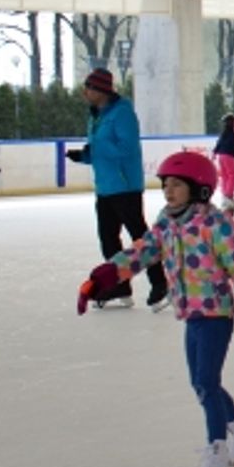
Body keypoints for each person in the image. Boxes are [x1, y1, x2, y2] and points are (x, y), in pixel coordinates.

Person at [74, 152, 234, 467]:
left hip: (215, 313)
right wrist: (101, 278)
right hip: (190, 313)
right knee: (201, 382)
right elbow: (140, 253)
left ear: (199, 189)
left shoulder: (215, 224)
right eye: (165, 184)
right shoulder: (167, 222)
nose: (168, 190)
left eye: (177, 185)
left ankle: (218, 455)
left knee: (206, 383)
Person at [66, 68, 167, 311]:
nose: (85, 92)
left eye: (89, 88)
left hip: (125, 186)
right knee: (108, 239)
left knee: (141, 238)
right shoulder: (96, 115)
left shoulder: (122, 113)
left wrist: (97, 148)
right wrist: (84, 155)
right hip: (105, 187)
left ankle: (160, 283)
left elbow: (127, 148)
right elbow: (102, 150)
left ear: (101, 91)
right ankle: (119, 284)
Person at [212, 113, 234, 211]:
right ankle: (228, 196)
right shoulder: (232, 134)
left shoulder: (223, 133)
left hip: (221, 156)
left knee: (225, 176)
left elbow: (218, 144)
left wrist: (214, 153)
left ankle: (225, 195)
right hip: (229, 156)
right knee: (232, 176)